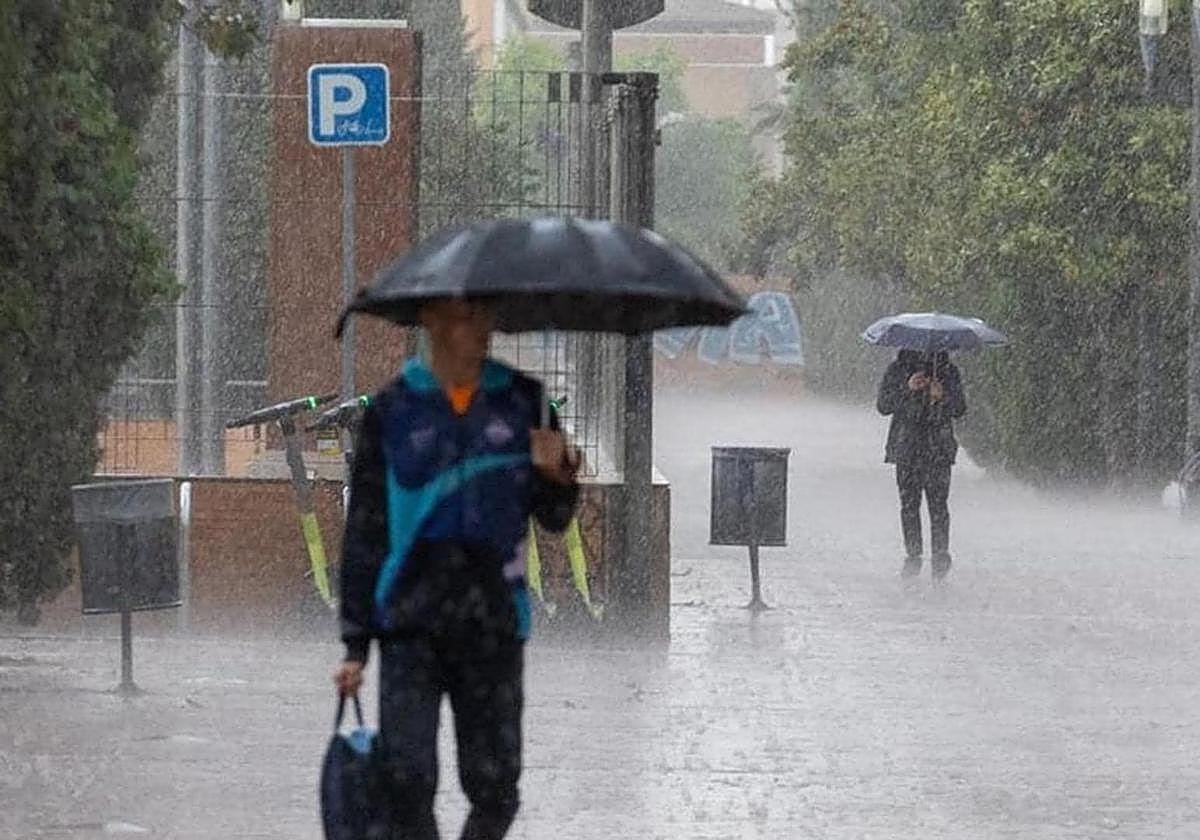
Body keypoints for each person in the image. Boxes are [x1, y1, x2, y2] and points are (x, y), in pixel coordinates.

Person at [332, 297, 580, 840]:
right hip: (409, 623)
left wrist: (559, 477)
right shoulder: (393, 410)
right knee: (407, 779)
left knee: (496, 786)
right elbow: (366, 532)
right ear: (431, 320)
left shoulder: (525, 402)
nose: (483, 328)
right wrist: (356, 643)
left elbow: (555, 518)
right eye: (467, 315)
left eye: (488, 314)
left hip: (493, 625)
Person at [876, 349, 967, 580]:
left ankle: (940, 555)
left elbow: (959, 408)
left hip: (939, 449)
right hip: (907, 448)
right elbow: (883, 405)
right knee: (909, 505)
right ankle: (913, 555)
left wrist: (942, 396)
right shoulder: (898, 369)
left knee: (938, 507)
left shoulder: (948, 371)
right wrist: (908, 388)